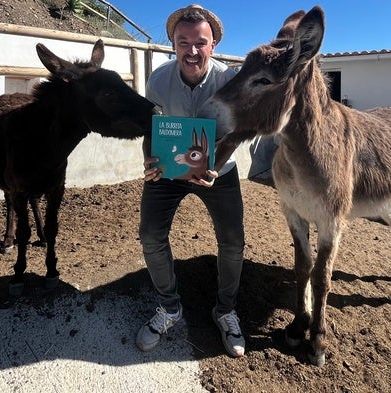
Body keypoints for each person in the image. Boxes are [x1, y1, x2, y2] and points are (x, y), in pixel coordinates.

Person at [136, 4, 245, 358]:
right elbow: (151, 129)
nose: (192, 50)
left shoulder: (229, 81)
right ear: (173, 44)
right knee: (151, 235)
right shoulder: (158, 80)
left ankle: (225, 310)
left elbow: (237, 132)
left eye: (200, 42)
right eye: (184, 42)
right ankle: (170, 307)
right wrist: (150, 160)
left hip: (218, 172)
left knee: (232, 242)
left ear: (212, 45)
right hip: (169, 172)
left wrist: (218, 163)